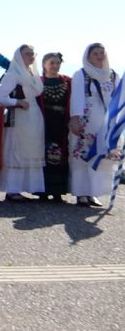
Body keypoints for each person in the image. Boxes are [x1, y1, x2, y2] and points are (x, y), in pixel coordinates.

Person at [69, 43, 122, 208]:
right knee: (82, 155)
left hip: (108, 122)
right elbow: (77, 98)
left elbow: (119, 98)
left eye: (101, 53)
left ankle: (93, 192)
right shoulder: (81, 74)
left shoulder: (113, 75)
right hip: (88, 120)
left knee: (102, 157)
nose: (99, 56)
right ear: (88, 56)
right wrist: (75, 119)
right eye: (95, 54)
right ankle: (81, 193)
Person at [0, 45, 45, 202]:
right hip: (19, 117)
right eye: (27, 54)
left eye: (32, 53)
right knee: (17, 151)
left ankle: (27, 187)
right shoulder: (13, 75)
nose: (31, 56)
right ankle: (12, 189)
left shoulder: (33, 73)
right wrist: (17, 102)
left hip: (33, 116)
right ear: (18, 56)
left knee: (31, 150)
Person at [39, 52, 71, 202]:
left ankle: (58, 191)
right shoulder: (39, 82)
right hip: (44, 122)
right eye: (51, 62)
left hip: (61, 122)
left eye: (57, 63)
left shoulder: (67, 82)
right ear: (44, 64)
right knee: (44, 153)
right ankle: (43, 191)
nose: (55, 66)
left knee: (60, 152)